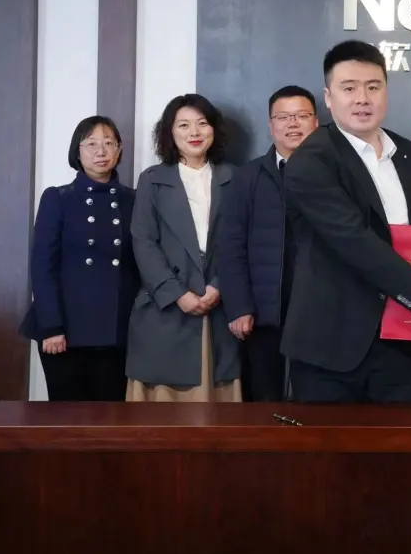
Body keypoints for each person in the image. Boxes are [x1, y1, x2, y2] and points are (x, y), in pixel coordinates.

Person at [279, 40, 411, 403]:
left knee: (404, 440)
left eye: (373, 87)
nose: (362, 98)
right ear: (328, 97)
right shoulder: (310, 161)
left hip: (405, 340)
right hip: (333, 348)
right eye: (349, 88)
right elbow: (356, 242)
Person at [125, 94, 241, 402]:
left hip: (219, 308)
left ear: (214, 129)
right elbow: (144, 242)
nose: (194, 133)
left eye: (202, 124)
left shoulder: (235, 177)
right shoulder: (152, 179)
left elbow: (242, 240)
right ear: (170, 132)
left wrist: (219, 285)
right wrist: (177, 293)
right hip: (166, 308)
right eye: (184, 125)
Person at [19, 116, 140, 401]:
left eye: (109, 143)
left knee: (111, 416)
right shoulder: (58, 198)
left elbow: (142, 264)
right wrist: (52, 326)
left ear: (119, 150)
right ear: (78, 151)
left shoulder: (135, 200)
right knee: (67, 418)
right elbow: (43, 267)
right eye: (92, 144)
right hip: (66, 329)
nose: (101, 151)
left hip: (117, 328)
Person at [219, 85, 319, 401]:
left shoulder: (337, 174)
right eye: (283, 117)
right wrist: (239, 307)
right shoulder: (248, 177)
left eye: (301, 116)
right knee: (264, 399)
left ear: (316, 122)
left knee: (317, 401)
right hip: (263, 311)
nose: (293, 124)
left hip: (319, 309)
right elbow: (231, 246)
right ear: (270, 124)